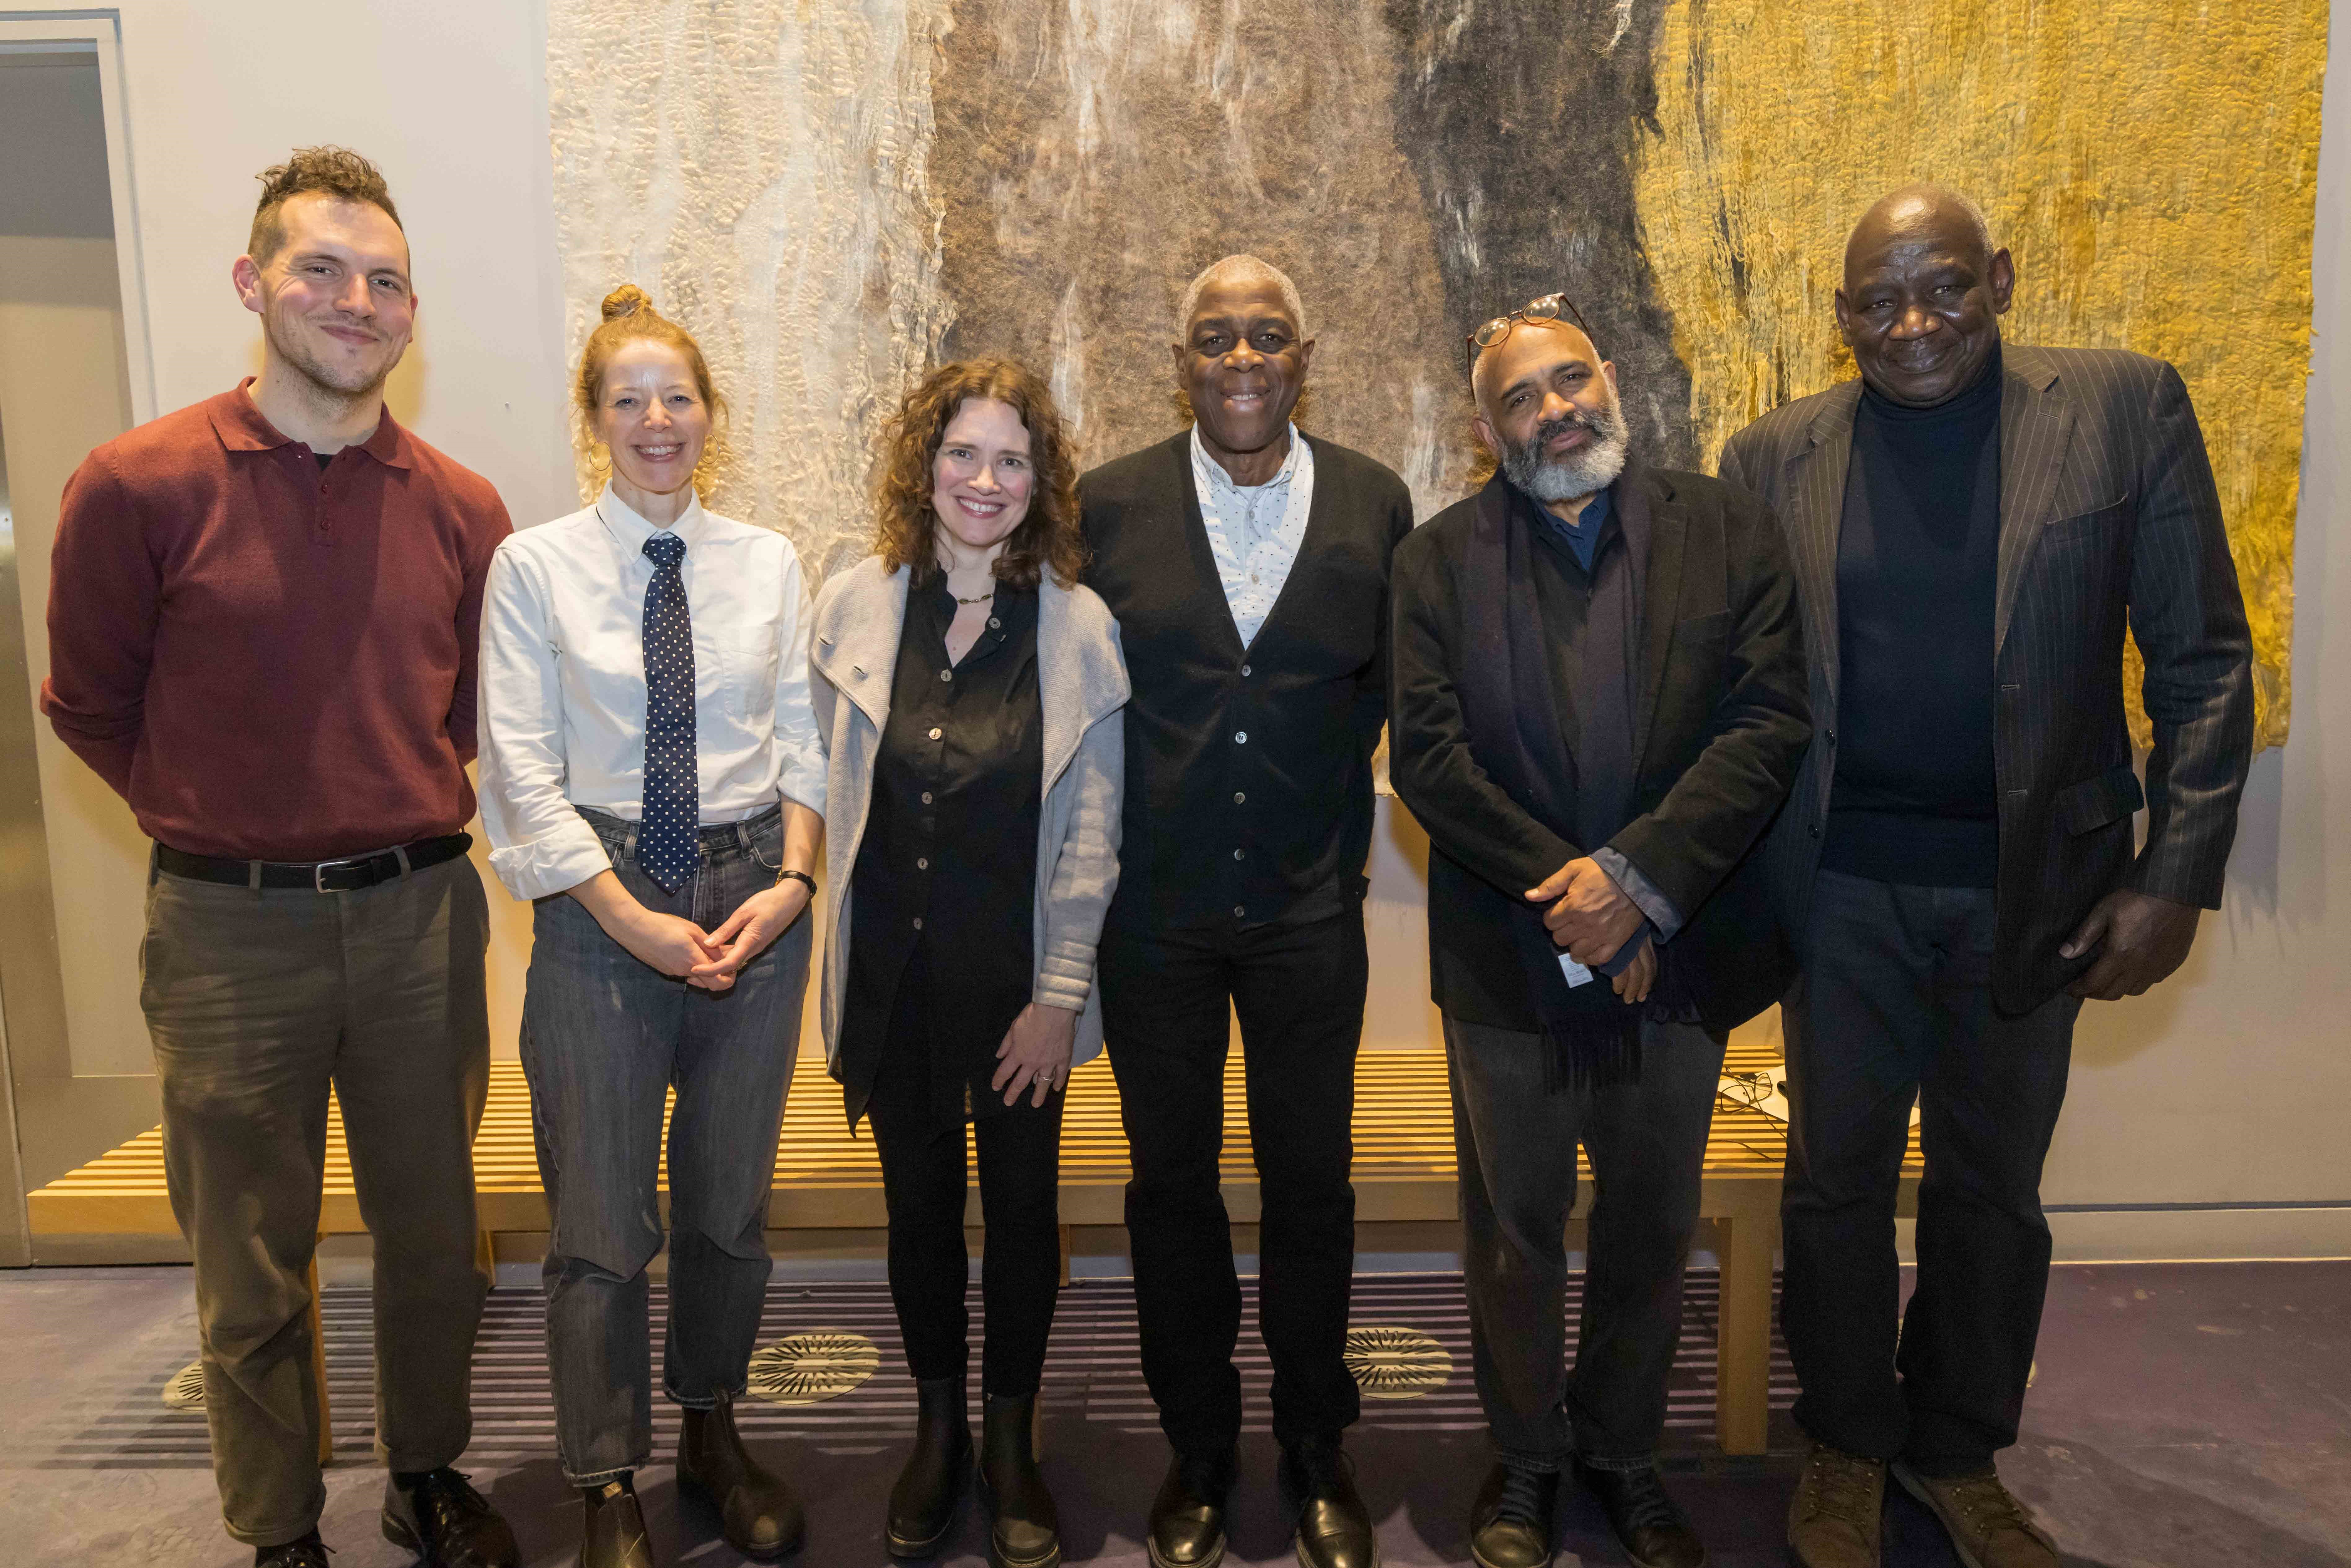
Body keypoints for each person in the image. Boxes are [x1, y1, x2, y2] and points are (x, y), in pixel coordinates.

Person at [1718, 186, 2255, 1568]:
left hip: (2040, 894)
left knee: (1990, 1185)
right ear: (1838, 319)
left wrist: (2174, 874)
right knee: (1833, 1181)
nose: (1914, 324)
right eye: (1878, 300)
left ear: (2001, 279)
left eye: (1944, 286)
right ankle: (1844, 1438)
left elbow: (2201, 660)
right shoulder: (1769, 455)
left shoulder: (2124, 409)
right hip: (1837, 891)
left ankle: (1958, 1450)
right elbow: (1741, 689)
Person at [39, 147, 517, 1568]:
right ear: (254, 284)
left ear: (411, 314)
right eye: (320, 269)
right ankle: (276, 1522)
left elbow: (467, 719)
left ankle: (426, 1470)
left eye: (383, 280)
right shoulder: (136, 484)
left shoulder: (462, 506)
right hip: (227, 935)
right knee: (249, 1258)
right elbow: (88, 700)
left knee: (435, 1233)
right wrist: (216, 813)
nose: (353, 300)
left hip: (424, 912)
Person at [1390, 294, 1810, 1568]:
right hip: (1507, 958)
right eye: (1521, 397)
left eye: (1568, 380)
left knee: (1647, 1216)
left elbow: (1766, 721)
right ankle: (1524, 1458)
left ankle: (1624, 1453)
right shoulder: (1436, 559)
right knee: (1514, 1229)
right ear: (1486, 427)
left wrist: (1638, 884)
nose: (1554, 409)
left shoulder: (1725, 526)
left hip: (1677, 948)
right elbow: (1430, 756)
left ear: (1608, 378)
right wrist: (1578, 894)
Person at [477, 286, 826, 1568]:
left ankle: (711, 1429)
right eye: (626, 398)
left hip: (754, 891)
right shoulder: (536, 566)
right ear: (593, 422)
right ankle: (603, 1471)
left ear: (709, 416)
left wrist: (791, 883)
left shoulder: (769, 561)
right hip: (596, 899)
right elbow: (516, 764)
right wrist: (628, 915)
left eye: (675, 395)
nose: (654, 419)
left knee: (730, 1207)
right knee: (602, 1220)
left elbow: (801, 733)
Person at [1077, 254, 1413, 1568]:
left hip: (1305, 920)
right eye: (1213, 336)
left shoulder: (1377, 502)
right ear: (1182, 360)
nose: (1239, 356)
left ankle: (1318, 1446)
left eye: (1265, 334)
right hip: (1151, 922)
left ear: (1301, 354)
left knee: (1311, 1185)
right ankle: (1199, 1448)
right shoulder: (1105, 507)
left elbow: (1389, 697)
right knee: (1171, 1189)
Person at [810, 356, 1126, 1568]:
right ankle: (937, 1428)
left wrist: (1059, 999)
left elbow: (1094, 828)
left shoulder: (1077, 624)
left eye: (1010, 458)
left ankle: (1011, 1442)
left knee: (1025, 1215)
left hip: (1017, 998)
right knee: (919, 1212)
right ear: (923, 466)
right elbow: (825, 788)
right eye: (961, 453)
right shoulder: (854, 602)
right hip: (890, 984)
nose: (982, 479)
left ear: (1039, 480)